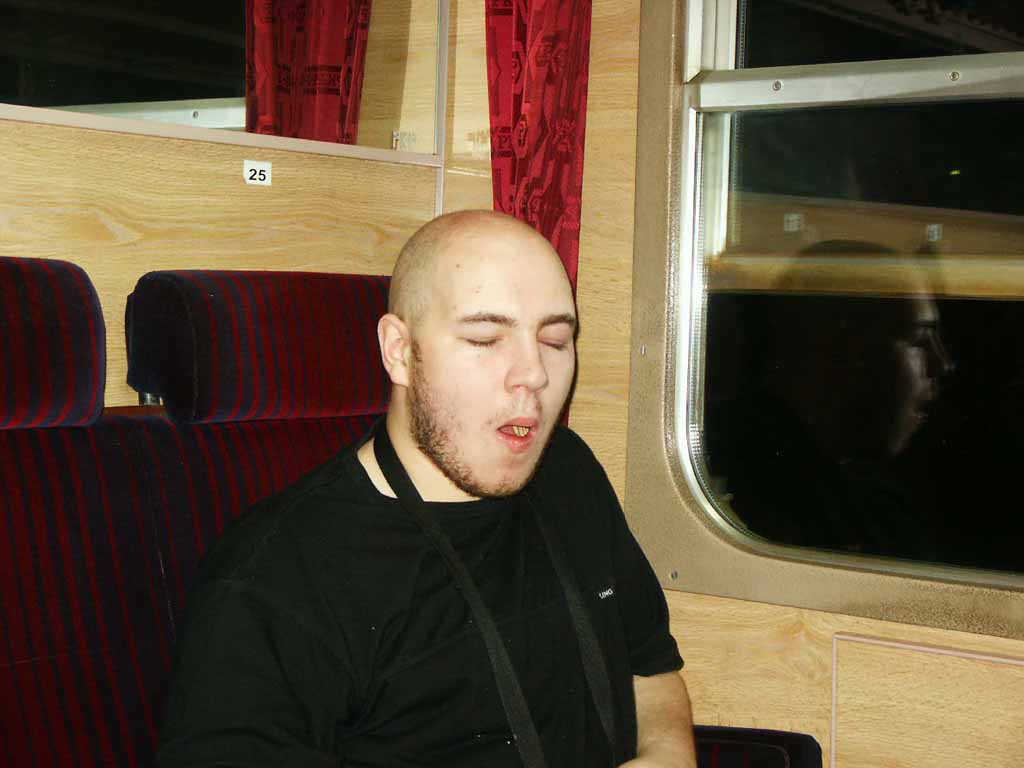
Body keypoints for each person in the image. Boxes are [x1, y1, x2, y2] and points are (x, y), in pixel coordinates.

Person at [157, 210, 696, 767]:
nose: (534, 373)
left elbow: (650, 666)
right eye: (486, 339)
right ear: (399, 351)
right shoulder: (279, 578)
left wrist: (668, 755)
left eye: (555, 340)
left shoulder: (569, 472)